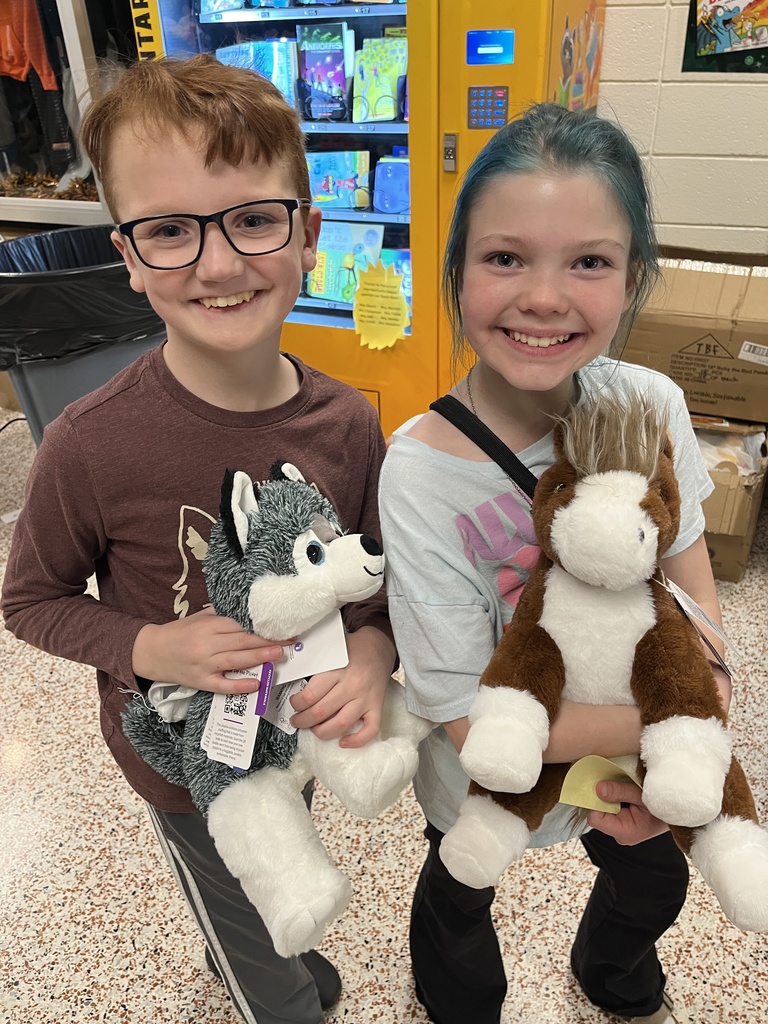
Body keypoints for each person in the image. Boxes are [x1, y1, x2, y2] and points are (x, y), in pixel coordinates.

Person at [1, 54, 396, 1024]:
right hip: (181, 763)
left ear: (308, 234)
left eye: (253, 219)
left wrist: (376, 654)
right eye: (171, 231)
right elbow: (29, 599)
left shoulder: (349, 423)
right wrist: (148, 644)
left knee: (276, 858)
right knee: (254, 937)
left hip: (294, 729)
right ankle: (266, 985)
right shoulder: (91, 443)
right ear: (129, 257)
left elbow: (378, 579)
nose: (217, 266)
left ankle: (259, 947)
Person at [378, 102, 732, 1024]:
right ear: (456, 269)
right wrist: (675, 722)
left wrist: (700, 704)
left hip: (624, 764)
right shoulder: (419, 472)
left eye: (589, 262)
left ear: (633, 275)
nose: (544, 297)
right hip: (495, 771)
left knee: (654, 884)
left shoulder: (648, 406)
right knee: (459, 896)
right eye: (505, 257)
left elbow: (691, 581)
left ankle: (611, 973)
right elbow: (468, 722)